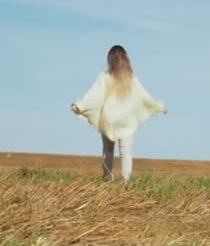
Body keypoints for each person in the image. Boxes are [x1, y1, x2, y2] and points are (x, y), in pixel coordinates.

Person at [71, 45, 167, 183]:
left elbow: (93, 94)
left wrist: (79, 105)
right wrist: (159, 106)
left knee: (108, 151)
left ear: (110, 59)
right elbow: (144, 96)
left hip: (108, 119)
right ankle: (125, 182)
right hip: (127, 120)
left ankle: (106, 178)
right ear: (126, 59)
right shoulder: (131, 78)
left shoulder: (104, 76)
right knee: (126, 152)